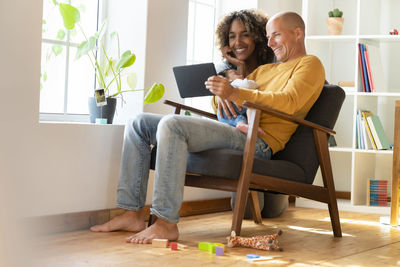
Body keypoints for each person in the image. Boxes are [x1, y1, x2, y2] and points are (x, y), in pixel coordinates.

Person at [90, 11, 325, 244]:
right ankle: (132, 213)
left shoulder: (310, 64)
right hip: (235, 129)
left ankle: (165, 223)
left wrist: (234, 92)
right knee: (138, 122)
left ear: (297, 33)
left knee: (173, 125)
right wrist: (222, 96)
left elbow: (289, 101)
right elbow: (230, 99)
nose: (270, 42)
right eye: (268, 36)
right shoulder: (264, 71)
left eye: (276, 35)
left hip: (258, 140)